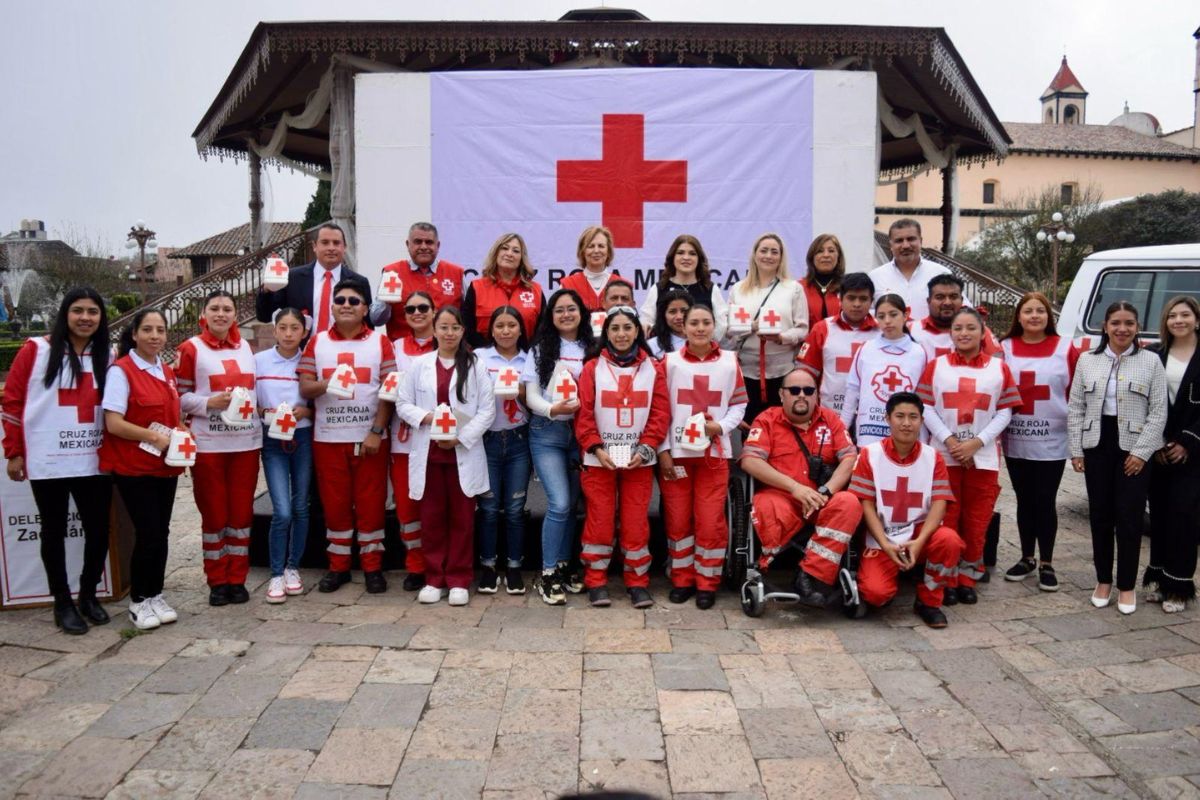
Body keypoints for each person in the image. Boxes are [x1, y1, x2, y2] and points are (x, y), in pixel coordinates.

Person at [2, 288, 111, 634]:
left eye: (93, 311)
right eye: (78, 310)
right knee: (53, 531)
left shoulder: (108, 355)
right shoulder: (36, 350)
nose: (85, 318)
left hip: (94, 460)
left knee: (99, 531)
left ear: (101, 318)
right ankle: (62, 602)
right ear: (65, 313)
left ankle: (88, 595)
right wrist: (14, 451)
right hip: (49, 459)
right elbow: (13, 401)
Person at [1069, 301, 1167, 615]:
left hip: (1134, 447)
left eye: (1129, 323)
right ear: (1105, 326)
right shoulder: (1088, 360)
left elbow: (1158, 412)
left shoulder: (1151, 361)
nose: (1122, 329)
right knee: (1100, 516)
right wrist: (1076, 449)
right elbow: (1076, 407)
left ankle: (1126, 585)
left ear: (1138, 327)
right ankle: (1103, 581)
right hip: (1097, 444)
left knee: (1129, 518)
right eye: (1115, 323)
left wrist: (1141, 452)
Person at [918, 308, 1020, 605]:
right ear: (950, 333)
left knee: (977, 520)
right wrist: (950, 441)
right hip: (944, 454)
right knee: (947, 517)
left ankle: (968, 577)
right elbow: (926, 407)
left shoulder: (998, 368)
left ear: (982, 331)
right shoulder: (936, 366)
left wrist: (976, 443)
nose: (964, 333)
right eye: (958, 328)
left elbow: (1005, 411)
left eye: (970, 328)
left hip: (983, 457)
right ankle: (946, 578)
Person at [299, 279, 395, 595]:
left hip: (369, 438)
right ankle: (338, 567)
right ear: (332, 306)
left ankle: (372, 568)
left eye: (354, 301)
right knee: (335, 504)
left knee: (371, 503)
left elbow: (388, 392)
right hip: (328, 438)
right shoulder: (317, 342)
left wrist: (376, 431)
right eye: (340, 300)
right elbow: (305, 387)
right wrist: (329, 383)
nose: (346, 305)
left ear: (366, 309)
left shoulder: (380, 342)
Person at [395, 307, 494, 606]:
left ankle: (459, 578)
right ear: (435, 330)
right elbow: (402, 403)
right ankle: (434, 578)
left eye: (455, 327)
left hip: (462, 452)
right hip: (429, 455)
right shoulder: (419, 364)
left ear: (463, 331)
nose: (449, 333)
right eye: (444, 327)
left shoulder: (476, 366)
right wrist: (430, 418)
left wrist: (459, 438)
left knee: (462, 520)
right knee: (432, 519)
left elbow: (487, 411)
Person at [740, 368, 861, 607]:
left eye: (808, 390)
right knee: (766, 505)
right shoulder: (766, 420)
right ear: (782, 394)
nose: (802, 395)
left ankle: (809, 575)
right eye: (794, 390)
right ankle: (793, 571)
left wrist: (827, 490)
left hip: (822, 500)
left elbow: (850, 458)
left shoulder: (831, 420)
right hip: (782, 497)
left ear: (817, 394)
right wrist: (795, 488)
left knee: (849, 502)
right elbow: (750, 461)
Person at [575, 305, 670, 608]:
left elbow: (660, 413)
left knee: (635, 521)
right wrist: (595, 447)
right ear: (606, 333)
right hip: (599, 458)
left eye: (627, 328)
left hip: (638, 459)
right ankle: (596, 581)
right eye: (614, 328)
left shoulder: (654, 368)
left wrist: (647, 447)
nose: (621, 334)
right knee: (599, 519)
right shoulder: (592, 367)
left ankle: (637, 582)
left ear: (637, 331)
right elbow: (583, 414)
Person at [99, 309, 184, 631]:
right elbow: (114, 423)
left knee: (161, 533)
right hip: (134, 468)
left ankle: (155, 594)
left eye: (160, 330)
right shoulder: (121, 372)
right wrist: (152, 436)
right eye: (147, 329)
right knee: (147, 533)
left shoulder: (166, 371)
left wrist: (181, 433)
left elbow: (172, 415)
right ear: (134, 334)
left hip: (164, 466)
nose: (154, 336)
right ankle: (138, 600)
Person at [175, 290, 261, 607]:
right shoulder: (190, 348)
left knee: (240, 514)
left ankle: (237, 579)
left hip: (246, 444)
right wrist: (208, 403)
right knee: (214, 515)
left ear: (235, 315)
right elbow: (177, 396)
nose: (221, 314)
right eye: (215, 308)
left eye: (227, 309)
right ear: (204, 314)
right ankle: (217, 580)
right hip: (209, 445)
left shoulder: (246, 348)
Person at [658, 304, 747, 608]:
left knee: (710, 521)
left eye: (705, 322)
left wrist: (720, 427)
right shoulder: (669, 362)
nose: (699, 328)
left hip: (714, 455)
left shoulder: (729, 361)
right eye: (693, 323)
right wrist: (663, 451)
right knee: (678, 520)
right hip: (677, 456)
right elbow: (659, 412)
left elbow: (739, 404)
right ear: (683, 327)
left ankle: (707, 582)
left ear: (714, 326)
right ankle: (682, 579)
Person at [850, 392, 964, 628]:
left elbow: (940, 502)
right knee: (876, 594)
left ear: (922, 421)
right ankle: (890, 578)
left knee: (949, 540)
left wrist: (920, 541)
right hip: (882, 536)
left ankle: (928, 601)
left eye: (913, 417)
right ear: (887, 419)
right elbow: (865, 504)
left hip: (919, 533)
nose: (906, 423)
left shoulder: (933, 457)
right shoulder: (870, 455)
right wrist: (885, 544)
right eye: (899, 416)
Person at [999, 292, 1080, 592]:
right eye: (1028, 311)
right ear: (1018, 317)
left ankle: (1047, 562)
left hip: (1052, 440)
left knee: (1045, 500)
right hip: (1016, 438)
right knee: (1024, 499)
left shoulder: (1065, 349)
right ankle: (1026, 557)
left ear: (1049, 316)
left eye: (1040, 311)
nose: (1034, 316)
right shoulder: (1004, 348)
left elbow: (1076, 393)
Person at [522, 289, 595, 605]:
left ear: (581, 313)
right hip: (547, 433)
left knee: (573, 504)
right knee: (560, 503)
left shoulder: (593, 347)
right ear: (550, 316)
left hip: (581, 436)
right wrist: (553, 410)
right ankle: (547, 572)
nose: (566, 314)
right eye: (559, 310)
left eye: (571, 308)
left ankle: (564, 566)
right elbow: (531, 396)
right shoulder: (540, 349)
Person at [254, 308, 313, 603]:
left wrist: (306, 411)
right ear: (275, 330)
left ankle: (292, 568)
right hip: (273, 439)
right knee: (282, 510)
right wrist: (265, 412)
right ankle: (276, 573)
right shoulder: (259, 361)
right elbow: (249, 401)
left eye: (295, 328)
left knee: (300, 506)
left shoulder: (310, 361)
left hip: (302, 438)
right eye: (283, 327)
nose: (289, 334)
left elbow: (320, 402)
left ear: (304, 331)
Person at [1146, 296, 1200, 612]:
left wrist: (1187, 441)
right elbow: (1146, 401)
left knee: (1185, 517)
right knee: (1160, 516)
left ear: (1196, 319)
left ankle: (1179, 587)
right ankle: (1160, 580)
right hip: (1160, 449)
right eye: (1172, 316)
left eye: (1185, 315)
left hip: (1193, 452)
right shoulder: (1155, 354)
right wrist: (1157, 443)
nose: (1178, 320)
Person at [474, 306, 532, 595]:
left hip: (519, 439)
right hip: (488, 440)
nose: (506, 331)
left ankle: (514, 566)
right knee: (488, 508)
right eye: (500, 325)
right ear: (492, 330)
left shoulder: (530, 359)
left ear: (521, 329)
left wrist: (520, 391)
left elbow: (540, 398)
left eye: (512, 325)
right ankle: (487, 565)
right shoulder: (479, 357)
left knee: (514, 509)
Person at [725, 233, 809, 424]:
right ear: (755, 255)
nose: (768, 256)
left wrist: (781, 337)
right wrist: (751, 327)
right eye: (763, 251)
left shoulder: (793, 288)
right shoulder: (738, 289)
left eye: (774, 252)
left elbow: (802, 329)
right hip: (746, 372)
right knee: (750, 428)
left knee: (782, 427)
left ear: (781, 257)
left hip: (782, 372)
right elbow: (729, 331)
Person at [388, 291, 437, 591]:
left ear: (434, 311)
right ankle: (416, 565)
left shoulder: (447, 344)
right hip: (403, 439)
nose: (417, 313)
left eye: (423, 307)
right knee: (407, 508)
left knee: (435, 505)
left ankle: (438, 563)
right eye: (410, 309)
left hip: (438, 439)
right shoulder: (394, 347)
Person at [255, 223, 379, 333]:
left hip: (343, 349)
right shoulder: (292, 278)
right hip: (303, 350)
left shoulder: (359, 282)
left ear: (344, 247)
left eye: (336, 243)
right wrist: (267, 290)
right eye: (325, 242)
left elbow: (367, 325)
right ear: (314, 246)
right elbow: (265, 316)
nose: (331, 248)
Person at [841, 294, 926, 447]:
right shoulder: (866, 348)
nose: (887, 321)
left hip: (905, 436)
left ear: (905, 315)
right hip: (868, 433)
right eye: (881, 316)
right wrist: (842, 431)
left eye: (893, 314)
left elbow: (923, 400)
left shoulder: (919, 353)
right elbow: (852, 391)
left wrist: (923, 441)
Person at [796, 272, 878, 418]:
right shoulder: (822, 329)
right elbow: (805, 374)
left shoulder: (882, 331)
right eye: (851, 298)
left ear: (872, 301)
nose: (857, 304)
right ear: (840, 298)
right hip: (829, 413)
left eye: (863, 299)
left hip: (870, 415)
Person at [381, 222, 465, 340]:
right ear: (408, 244)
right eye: (418, 242)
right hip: (403, 348)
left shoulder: (456, 273)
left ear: (438, 245)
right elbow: (376, 320)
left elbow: (469, 318)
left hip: (446, 347)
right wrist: (386, 304)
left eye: (429, 242)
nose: (424, 247)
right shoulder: (392, 273)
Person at [638, 234, 728, 341]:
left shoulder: (710, 288)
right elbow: (646, 321)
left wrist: (703, 343)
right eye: (680, 253)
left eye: (692, 254)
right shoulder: (659, 288)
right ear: (672, 257)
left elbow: (721, 325)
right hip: (665, 348)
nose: (686, 258)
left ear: (699, 259)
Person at [461, 232, 544, 348]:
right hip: (484, 356)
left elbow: (543, 329)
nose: (509, 254)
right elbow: (466, 327)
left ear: (522, 258)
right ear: (496, 253)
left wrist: (527, 353)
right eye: (504, 248)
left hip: (526, 356)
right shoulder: (477, 287)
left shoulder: (536, 290)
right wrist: (490, 352)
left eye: (516, 251)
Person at [868, 219, 954, 322]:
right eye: (899, 241)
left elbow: (960, 309)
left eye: (911, 239)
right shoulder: (875, 277)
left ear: (920, 241)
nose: (906, 245)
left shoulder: (941, 274)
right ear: (891, 245)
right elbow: (868, 314)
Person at [911, 274, 998, 360]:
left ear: (962, 300)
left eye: (953, 297)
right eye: (940, 297)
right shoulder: (911, 330)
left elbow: (997, 363)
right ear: (929, 301)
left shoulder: (978, 330)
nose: (947, 303)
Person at [559, 225, 621, 311]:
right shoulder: (567, 285)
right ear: (582, 251)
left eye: (601, 246)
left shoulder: (621, 285)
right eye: (591, 246)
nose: (596, 251)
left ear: (608, 251)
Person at [800, 233, 846, 332]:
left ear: (838, 256)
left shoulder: (848, 286)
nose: (826, 255)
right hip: (807, 341)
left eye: (831, 251)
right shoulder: (799, 288)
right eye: (820, 251)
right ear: (812, 257)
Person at [647, 289, 692, 359]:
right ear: (663, 315)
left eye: (684, 311)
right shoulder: (652, 346)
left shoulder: (704, 342)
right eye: (672, 312)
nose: (679, 317)